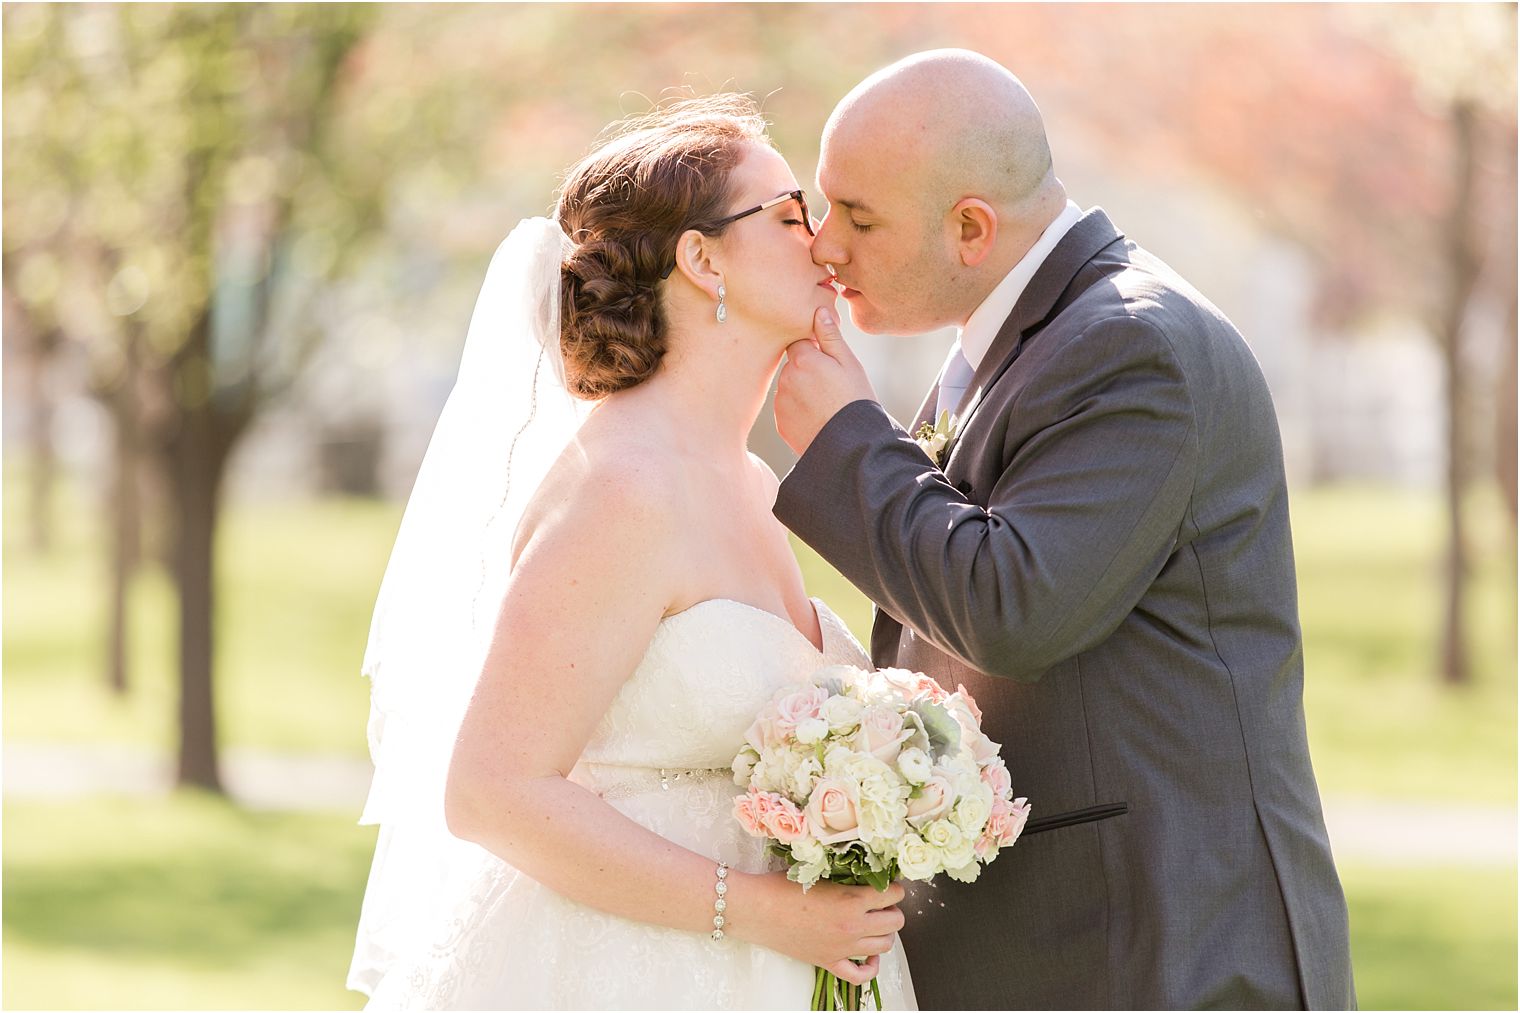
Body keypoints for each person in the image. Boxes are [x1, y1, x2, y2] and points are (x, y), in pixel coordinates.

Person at [772, 49, 1356, 1010]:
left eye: (860, 217)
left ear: (971, 227)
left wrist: (846, 440)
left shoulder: (1135, 344)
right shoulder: (1022, 341)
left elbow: (1015, 606)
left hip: (1168, 951)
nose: (826, 246)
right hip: (1079, 942)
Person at [347, 94, 917, 1009]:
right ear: (701, 259)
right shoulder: (621, 487)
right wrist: (765, 912)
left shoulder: (753, 484)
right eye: (787, 215)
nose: (822, 243)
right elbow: (492, 790)